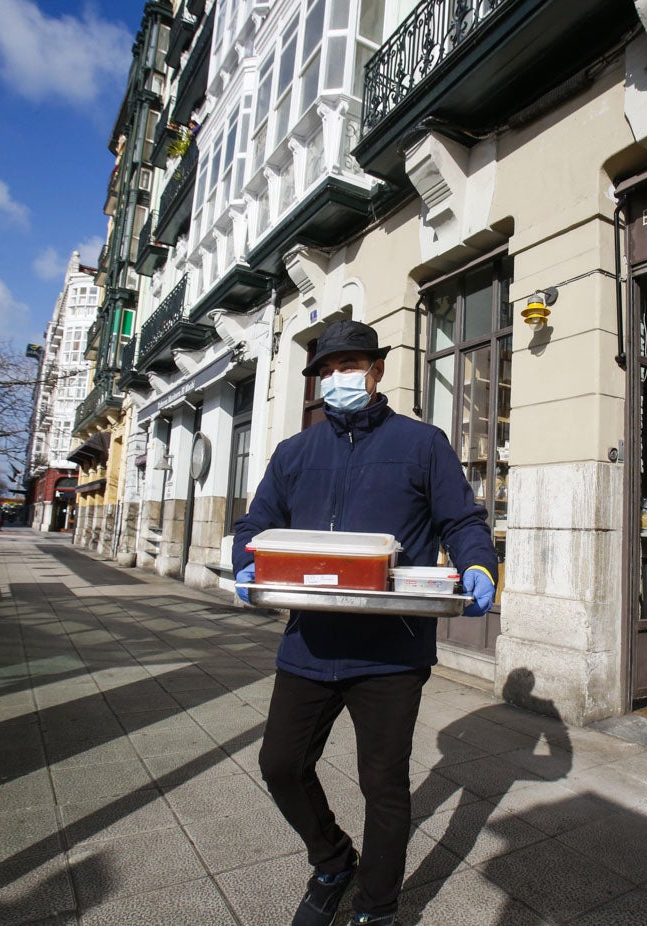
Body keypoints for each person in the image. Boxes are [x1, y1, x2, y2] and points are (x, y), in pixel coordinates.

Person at [231, 319, 497, 926]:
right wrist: (247, 561)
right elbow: (258, 522)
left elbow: (461, 519)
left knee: (383, 784)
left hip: (390, 648)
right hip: (311, 640)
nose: (337, 377)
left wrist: (478, 562)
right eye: (326, 370)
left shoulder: (422, 443)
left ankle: (376, 910)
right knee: (280, 764)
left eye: (349, 365)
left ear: (376, 370)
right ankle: (332, 860)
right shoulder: (295, 452)